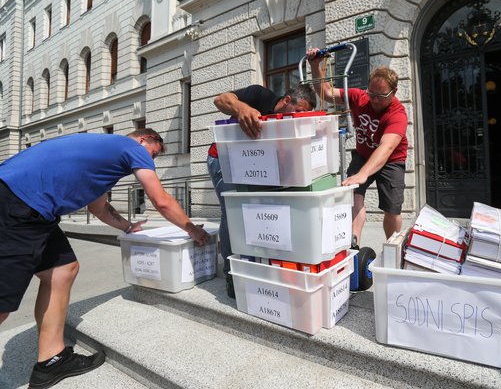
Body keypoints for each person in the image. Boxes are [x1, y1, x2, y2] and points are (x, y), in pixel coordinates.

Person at [0, 128, 210, 389]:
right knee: (3, 302)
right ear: (143, 139)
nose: (150, 161)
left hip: (34, 207)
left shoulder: (104, 158)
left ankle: (51, 361)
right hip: (16, 203)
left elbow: (98, 208)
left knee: (64, 269)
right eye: (153, 154)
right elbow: (161, 200)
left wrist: (128, 227)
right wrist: (192, 229)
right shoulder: (130, 148)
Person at [207, 83, 317, 298]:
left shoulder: (290, 124)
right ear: (286, 100)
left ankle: (262, 264)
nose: (300, 118)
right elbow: (220, 99)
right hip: (225, 158)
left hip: (255, 165)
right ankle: (232, 273)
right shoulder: (260, 95)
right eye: (299, 112)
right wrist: (241, 109)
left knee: (263, 212)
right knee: (233, 211)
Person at [306, 48, 408, 246]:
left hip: (391, 160)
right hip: (362, 155)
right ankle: (353, 245)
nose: (374, 100)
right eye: (372, 93)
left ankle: (393, 249)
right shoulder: (358, 97)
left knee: (392, 209)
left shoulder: (398, 114)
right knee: (354, 195)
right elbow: (326, 93)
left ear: (394, 92)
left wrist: (364, 173)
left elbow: (386, 148)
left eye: (381, 96)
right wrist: (314, 65)